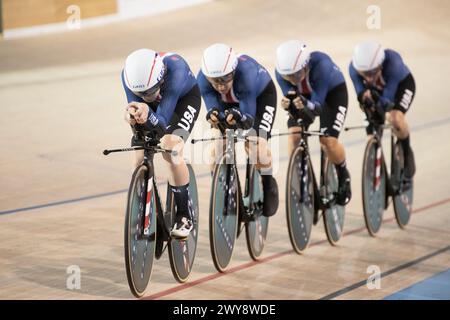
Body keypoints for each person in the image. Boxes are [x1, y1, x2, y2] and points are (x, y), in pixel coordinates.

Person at [121, 48, 201, 239]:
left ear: (161, 77)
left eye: (149, 91)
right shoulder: (127, 76)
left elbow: (162, 123)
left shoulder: (176, 70)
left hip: (183, 101)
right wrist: (133, 116)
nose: (146, 96)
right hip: (154, 108)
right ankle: (145, 205)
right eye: (141, 93)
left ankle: (184, 214)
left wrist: (147, 114)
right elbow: (136, 108)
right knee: (139, 156)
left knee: (170, 148)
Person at [197, 43, 279, 217]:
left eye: (225, 78)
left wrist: (238, 117)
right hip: (230, 102)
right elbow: (214, 110)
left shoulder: (246, 73)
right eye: (215, 81)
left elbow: (248, 119)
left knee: (255, 144)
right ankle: (223, 188)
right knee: (217, 146)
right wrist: (214, 115)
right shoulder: (203, 79)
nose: (220, 85)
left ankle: (268, 182)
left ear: (233, 71)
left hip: (261, 97)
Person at [275, 40, 352, 206]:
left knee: (328, 141)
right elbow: (291, 98)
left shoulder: (321, 65)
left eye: (296, 75)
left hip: (332, 95)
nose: (292, 80)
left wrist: (302, 102)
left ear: (306, 65)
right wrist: (289, 104)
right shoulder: (281, 73)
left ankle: (343, 173)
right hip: (305, 98)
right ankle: (299, 175)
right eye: (287, 77)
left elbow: (317, 107)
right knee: (294, 135)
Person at [349, 41, 416, 181]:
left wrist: (379, 108)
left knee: (395, 118)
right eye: (364, 74)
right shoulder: (353, 69)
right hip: (378, 91)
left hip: (401, 87)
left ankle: (406, 150)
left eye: (372, 73)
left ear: (380, 65)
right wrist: (366, 104)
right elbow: (360, 96)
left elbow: (387, 100)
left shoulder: (393, 62)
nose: (368, 78)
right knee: (371, 127)